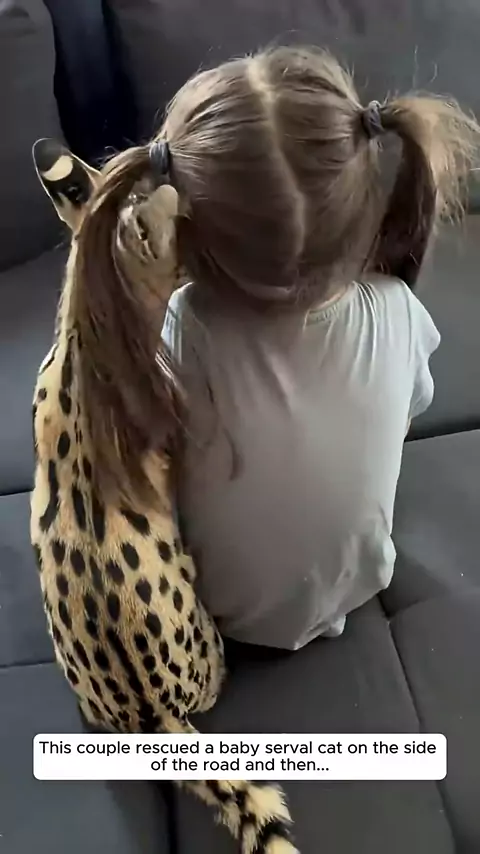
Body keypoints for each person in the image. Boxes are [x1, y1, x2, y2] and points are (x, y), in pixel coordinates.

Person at [78, 46, 480, 651]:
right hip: (361, 579)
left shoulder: (189, 326)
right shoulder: (397, 305)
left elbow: (145, 451)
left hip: (224, 612)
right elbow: (407, 410)